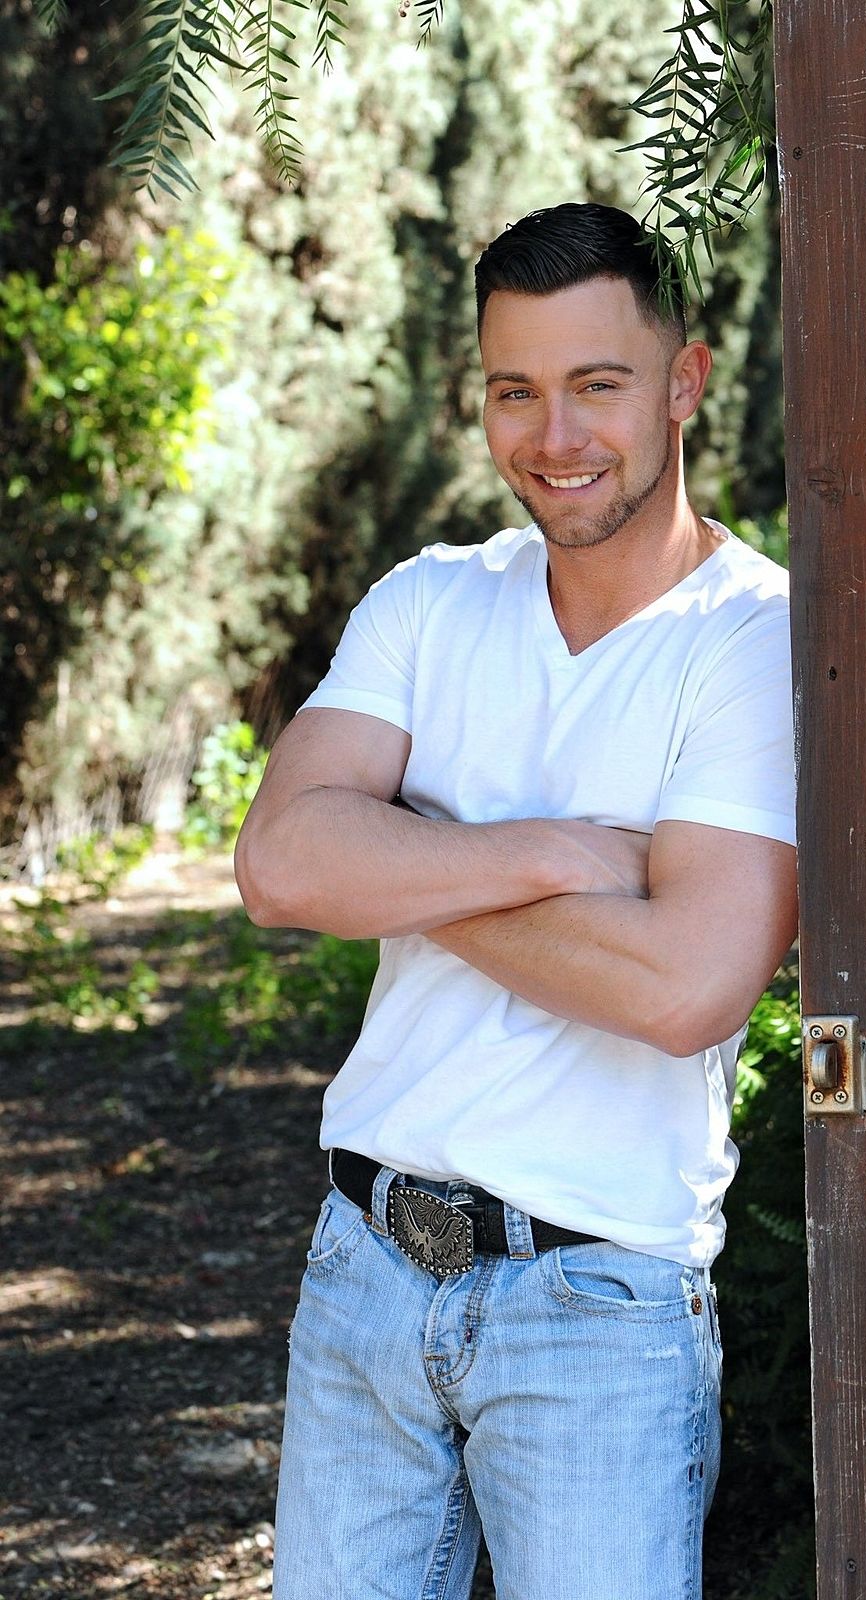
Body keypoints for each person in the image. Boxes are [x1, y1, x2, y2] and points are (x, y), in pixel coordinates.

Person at [234, 201, 797, 1600]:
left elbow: (684, 987)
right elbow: (282, 867)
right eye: (514, 391)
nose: (554, 436)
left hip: (597, 1304)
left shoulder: (756, 638)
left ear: (684, 381)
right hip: (365, 1266)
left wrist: (402, 859)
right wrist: (553, 851)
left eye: (598, 385)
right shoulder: (430, 602)